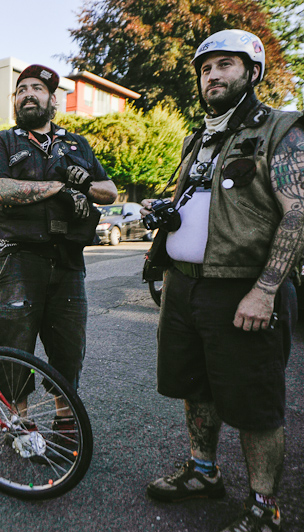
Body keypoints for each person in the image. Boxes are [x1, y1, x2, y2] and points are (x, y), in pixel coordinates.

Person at [141, 29, 303, 532]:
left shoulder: (281, 128)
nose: (212, 75)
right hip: (185, 286)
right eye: (206, 69)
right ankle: (203, 472)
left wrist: (265, 290)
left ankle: (265, 506)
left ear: (252, 72)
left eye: (225, 65)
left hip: (244, 289)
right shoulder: (199, 138)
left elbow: (298, 213)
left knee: (256, 404)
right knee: (196, 387)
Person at [0, 64, 117, 454]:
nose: (28, 94)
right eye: (21, 89)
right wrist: (59, 187)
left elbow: (109, 191)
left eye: (37, 88)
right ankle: (19, 423)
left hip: (68, 260)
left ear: (52, 99)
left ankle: (65, 420)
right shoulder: (3, 141)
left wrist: (84, 183)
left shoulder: (77, 144)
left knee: (68, 348)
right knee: (14, 345)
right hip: (17, 257)